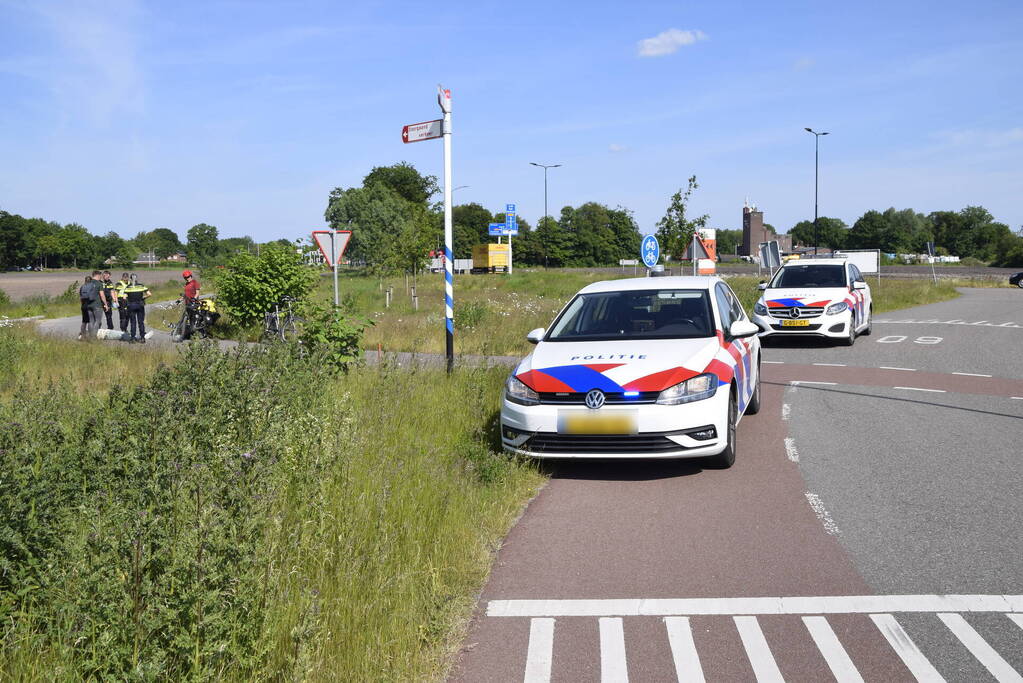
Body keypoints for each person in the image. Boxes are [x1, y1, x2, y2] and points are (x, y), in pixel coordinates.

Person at [121, 273, 151, 343]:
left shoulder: (128, 287)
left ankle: (133, 338)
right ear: (136, 278)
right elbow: (149, 294)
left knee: (133, 322)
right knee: (141, 322)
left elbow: (124, 297)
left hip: (131, 305)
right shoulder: (141, 286)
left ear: (131, 279)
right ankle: (142, 338)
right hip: (140, 305)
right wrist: (143, 297)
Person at [77, 272, 105, 341]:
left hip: (86, 305)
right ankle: (93, 336)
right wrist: (105, 304)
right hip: (96, 305)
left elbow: (81, 297)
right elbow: (102, 295)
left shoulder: (83, 286)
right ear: (98, 275)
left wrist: (83, 305)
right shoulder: (98, 284)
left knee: (88, 321)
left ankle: (84, 336)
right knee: (97, 321)